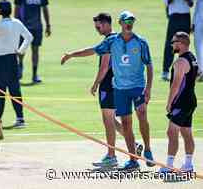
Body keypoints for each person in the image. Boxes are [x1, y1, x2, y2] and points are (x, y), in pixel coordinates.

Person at [61, 13, 143, 168]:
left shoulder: (110, 41)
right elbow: (92, 50)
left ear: (106, 24)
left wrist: (95, 84)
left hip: (108, 85)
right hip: (119, 84)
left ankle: (111, 156)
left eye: (98, 27)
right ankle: (134, 145)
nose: (97, 30)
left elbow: (104, 65)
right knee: (112, 120)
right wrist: (71, 55)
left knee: (108, 122)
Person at [93, 11, 155, 170]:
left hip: (137, 87)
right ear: (120, 23)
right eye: (126, 21)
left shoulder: (141, 42)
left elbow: (149, 65)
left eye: (131, 21)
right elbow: (93, 50)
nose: (129, 23)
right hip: (120, 89)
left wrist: (148, 88)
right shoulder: (112, 41)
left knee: (142, 115)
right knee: (126, 123)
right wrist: (72, 55)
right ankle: (133, 159)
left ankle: (147, 149)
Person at [0, 0, 33, 128]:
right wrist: (21, 51)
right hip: (13, 59)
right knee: (15, 89)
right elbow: (29, 37)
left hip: (1, 61)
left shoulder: (0, 26)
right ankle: (20, 119)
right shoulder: (17, 22)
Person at [159, 32, 198, 173]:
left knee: (171, 132)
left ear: (181, 43)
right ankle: (188, 165)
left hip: (181, 102)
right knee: (186, 132)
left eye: (174, 42)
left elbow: (176, 84)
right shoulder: (192, 58)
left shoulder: (180, 62)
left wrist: (169, 102)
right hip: (190, 100)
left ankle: (169, 166)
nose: (172, 44)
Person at [14, 0, 51, 83]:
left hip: (37, 27)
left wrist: (48, 25)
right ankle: (20, 66)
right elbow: (17, 8)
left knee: (35, 50)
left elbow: (45, 8)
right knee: (22, 49)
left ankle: (34, 74)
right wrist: (16, 25)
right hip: (23, 27)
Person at [162, 0, 194, 81]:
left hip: (185, 17)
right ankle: (165, 71)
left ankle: (185, 69)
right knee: (171, 43)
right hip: (174, 17)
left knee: (185, 44)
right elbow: (167, 2)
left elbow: (191, 4)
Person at [193, 0, 203, 81]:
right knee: (197, 45)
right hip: (198, 21)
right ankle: (200, 70)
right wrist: (193, 22)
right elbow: (196, 7)